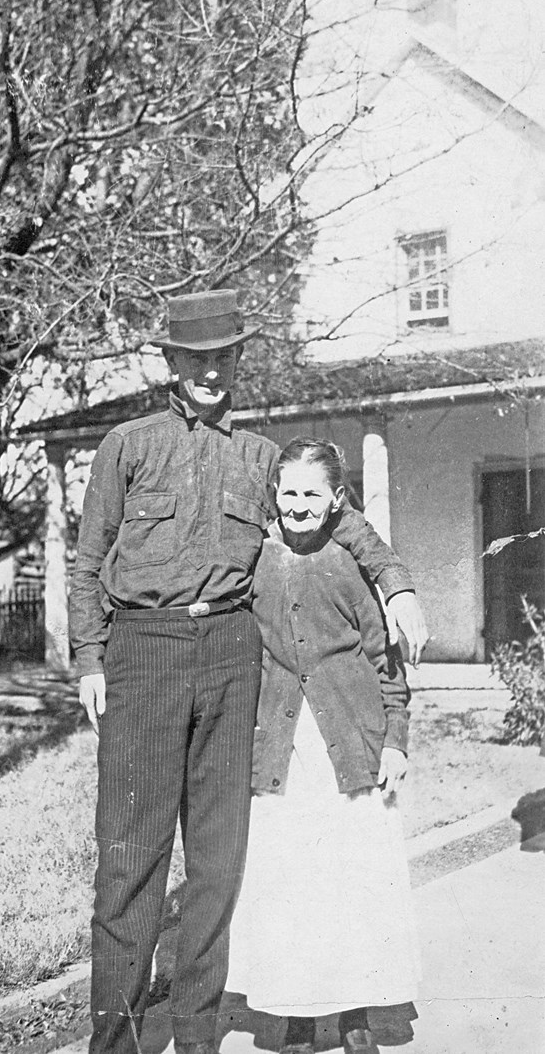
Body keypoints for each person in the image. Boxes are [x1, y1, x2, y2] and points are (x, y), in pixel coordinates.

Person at [69, 290, 427, 1054]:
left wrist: (396, 585)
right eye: (195, 357)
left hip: (234, 657)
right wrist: (89, 658)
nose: (210, 371)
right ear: (172, 362)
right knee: (130, 859)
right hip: (143, 653)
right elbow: (87, 560)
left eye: (223, 356)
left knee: (219, 859)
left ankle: (196, 1037)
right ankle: (119, 1043)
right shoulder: (127, 445)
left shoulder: (263, 459)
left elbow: (344, 519)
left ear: (237, 361)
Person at [227, 437, 420, 1054]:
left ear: (337, 498)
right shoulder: (257, 561)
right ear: (274, 496)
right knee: (291, 884)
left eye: (314, 493)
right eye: (289, 493)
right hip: (283, 749)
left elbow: (386, 662)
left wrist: (396, 742)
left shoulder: (352, 561)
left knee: (353, 883)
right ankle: (299, 1020)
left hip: (352, 747)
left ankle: (356, 1015)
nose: (300, 505)